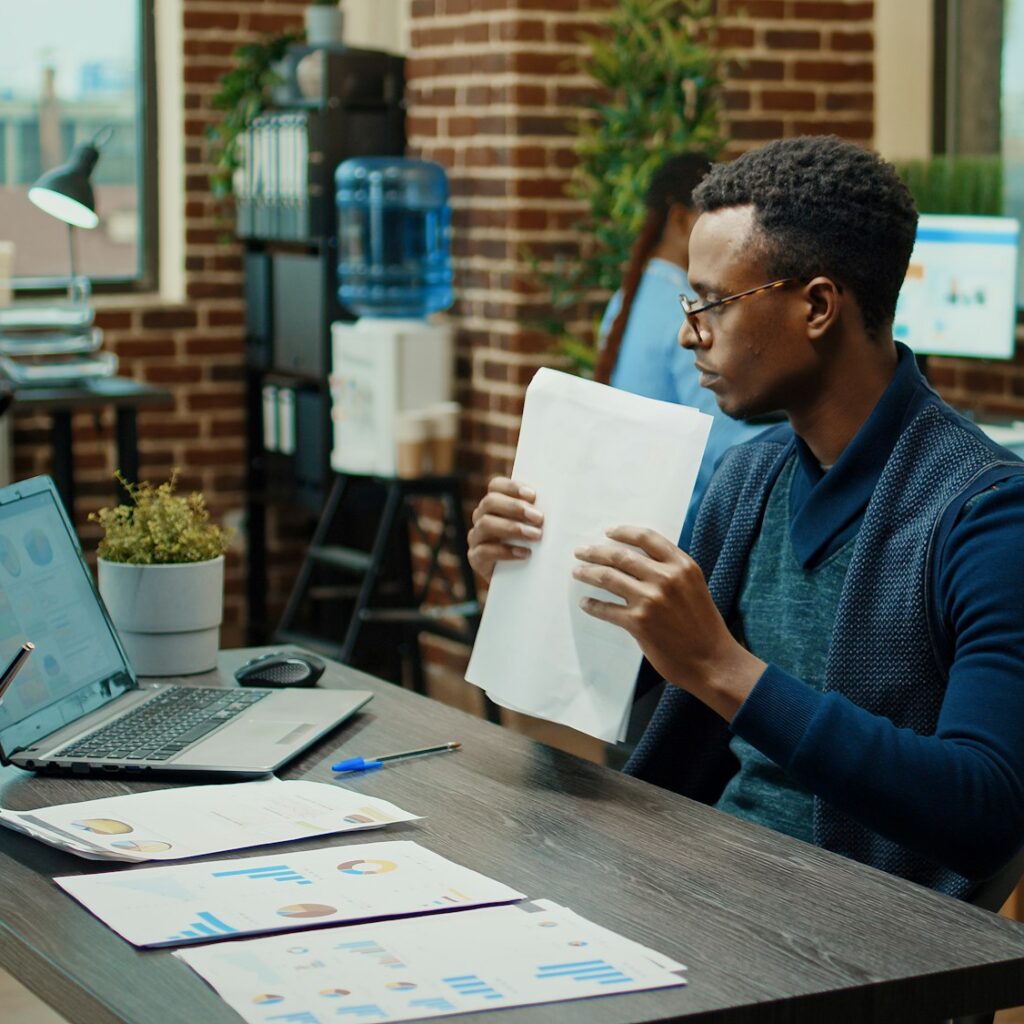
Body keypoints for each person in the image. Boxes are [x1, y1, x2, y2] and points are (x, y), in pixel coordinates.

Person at [467, 135, 1024, 900]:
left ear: (819, 307)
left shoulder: (987, 515)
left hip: (865, 942)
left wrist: (722, 667)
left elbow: (987, 810)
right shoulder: (750, 478)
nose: (688, 331)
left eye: (711, 302)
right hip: (704, 883)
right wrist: (522, 586)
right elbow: (628, 683)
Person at [594, 152, 764, 542]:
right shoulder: (685, 311)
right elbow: (716, 444)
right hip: (675, 534)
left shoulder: (625, 299)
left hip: (628, 516)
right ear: (680, 220)